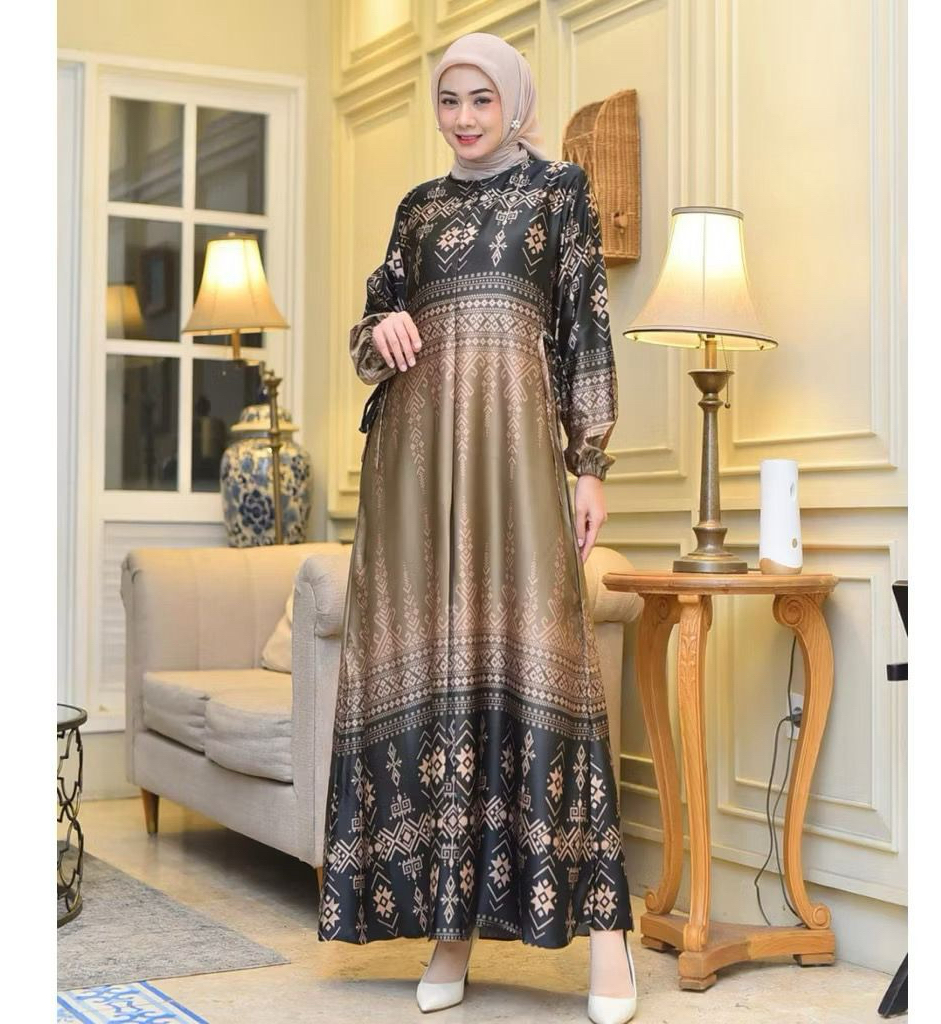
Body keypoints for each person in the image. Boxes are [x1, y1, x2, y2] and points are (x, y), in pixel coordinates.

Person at [317, 31, 638, 1024]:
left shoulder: (558, 193)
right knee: (436, 676)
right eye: (448, 99)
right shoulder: (417, 208)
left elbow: (584, 325)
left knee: (551, 668)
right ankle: (447, 929)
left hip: (516, 459)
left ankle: (608, 942)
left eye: (480, 99)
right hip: (416, 471)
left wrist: (589, 462)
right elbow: (371, 331)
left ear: (512, 102)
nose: (462, 117)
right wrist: (379, 329)